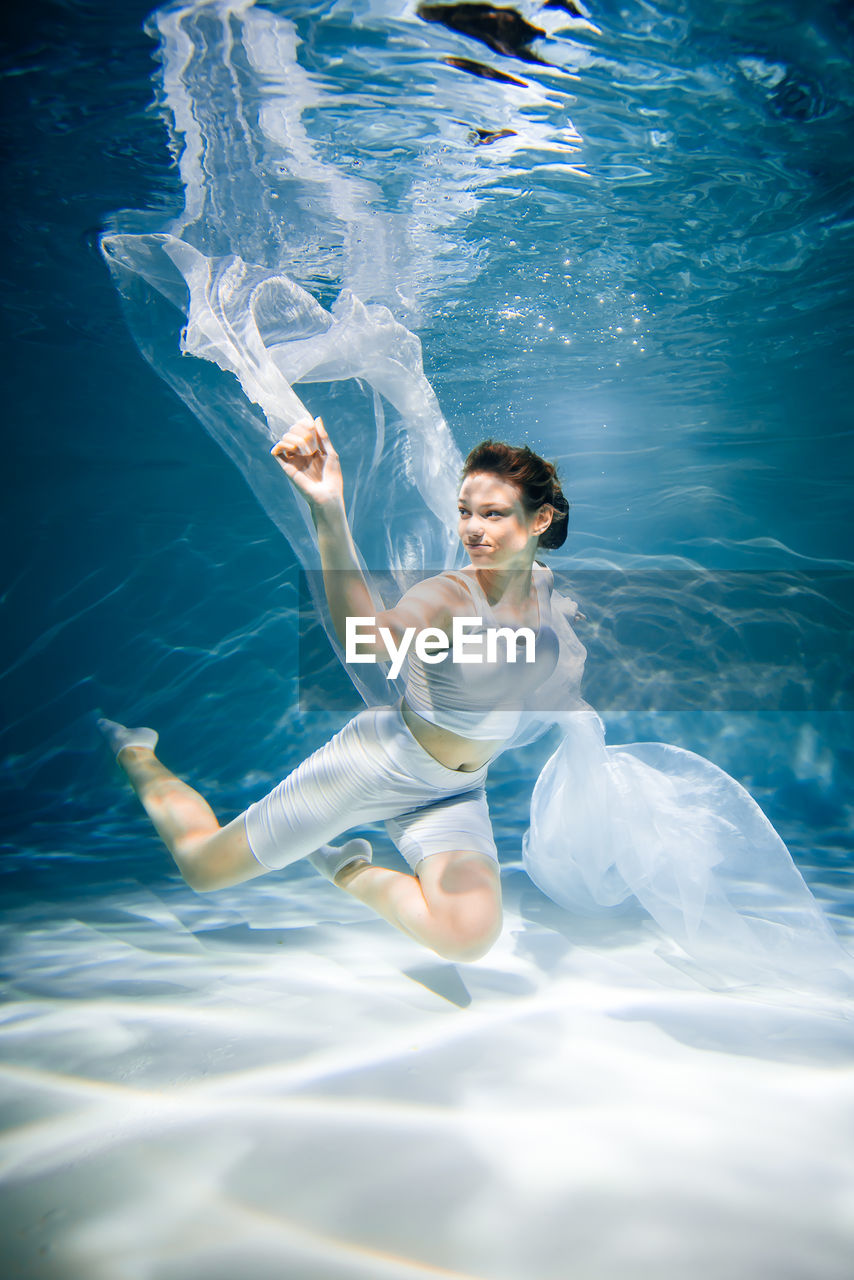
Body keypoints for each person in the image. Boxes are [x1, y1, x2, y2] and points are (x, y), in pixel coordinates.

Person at [99, 415, 573, 963]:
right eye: (466, 512)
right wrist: (327, 508)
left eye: (493, 514)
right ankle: (135, 750)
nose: (472, 529)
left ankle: (344, 865)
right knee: (202, 867)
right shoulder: (446, 596)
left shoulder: (543, 585)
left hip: (458, 790)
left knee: (467, 937)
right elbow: (362, 637)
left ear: (539, 520)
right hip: (378, 765)